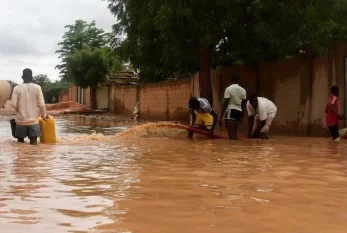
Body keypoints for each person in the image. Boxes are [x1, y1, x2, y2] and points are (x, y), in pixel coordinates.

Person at [11, 68, 47, 145]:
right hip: (33, 121)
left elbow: (13, 104)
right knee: (34, 145)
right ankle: (32, 156)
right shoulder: (37, 87)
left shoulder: (17, 88)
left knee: (20, 145)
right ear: (32, 77)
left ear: (22, 77)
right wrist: (44, 115)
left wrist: (18, 108)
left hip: (21, 121)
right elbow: (41, 104)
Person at [219, 75, 246, 140]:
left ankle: (232, 149)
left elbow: (226, 103)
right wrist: (242, 116)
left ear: (231, 81)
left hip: (231, 111)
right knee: (234, 133)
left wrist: (220, 117)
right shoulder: (243, 90)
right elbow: (243, 104)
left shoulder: (228, 89)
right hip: (239, 112)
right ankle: (235, 149)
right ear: (238, 81)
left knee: (231, 134)